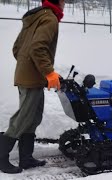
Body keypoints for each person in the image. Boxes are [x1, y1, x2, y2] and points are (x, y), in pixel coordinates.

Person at [0, 0, 64, 174]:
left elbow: (17, 48)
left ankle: (26, 158)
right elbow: (37, 47)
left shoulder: (36, 17)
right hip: (32, 78)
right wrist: (49, 72)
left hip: (29, 76)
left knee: (33, 117)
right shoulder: (49, 19)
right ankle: (1, 157)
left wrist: (25, 66)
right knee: (23, 118)